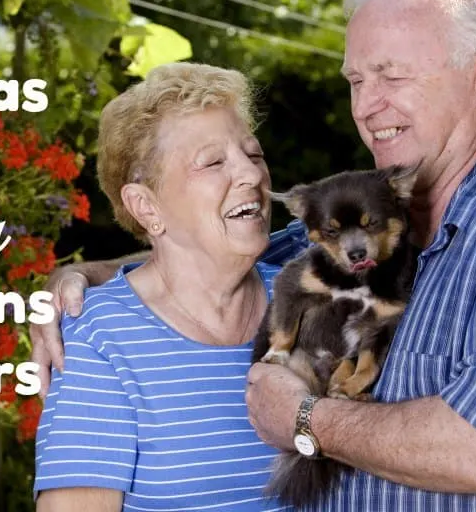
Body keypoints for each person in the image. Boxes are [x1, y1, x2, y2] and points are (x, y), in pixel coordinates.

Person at [32, 0, 476, 511]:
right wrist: (86, 279)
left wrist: (305, 419)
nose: (367, 105)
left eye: (391, 75)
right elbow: (206, 254)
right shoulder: (359, 227)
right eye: (357, 80)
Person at [32, 62, 294, 511]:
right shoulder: (101, 337)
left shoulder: (310, 303)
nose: (252, 176)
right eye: (213, 162)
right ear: (146, 206)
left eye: (253, 154)